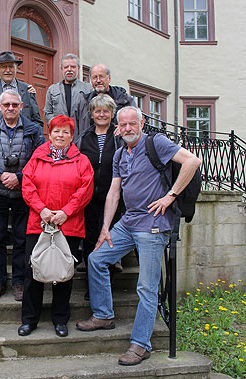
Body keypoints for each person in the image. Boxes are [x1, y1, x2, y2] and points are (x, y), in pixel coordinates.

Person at [76, 106, 201, 366]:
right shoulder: (120, 153)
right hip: (129, 221)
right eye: (123, 125)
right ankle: (103, 314)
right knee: (97, 259)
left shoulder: (156, 143)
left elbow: (192, 161)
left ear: (142, 123)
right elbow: (113, 193)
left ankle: (141, 344)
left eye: (132, 123)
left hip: (153, 226)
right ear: (117, 128)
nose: (127, 129)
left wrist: (171, 196)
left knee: (146, 287)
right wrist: (105, 228)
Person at [18, 115, 93, 338]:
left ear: (72, 136)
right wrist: (42, 209)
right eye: (56, 131)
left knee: (63, 274)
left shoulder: (82, 161)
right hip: (38, 223)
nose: (60, 135)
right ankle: (29, 320)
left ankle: (60, 320)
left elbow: (85, 189)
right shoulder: (37, 157)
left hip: (68, 225)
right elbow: (27, 185)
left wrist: (65, 212)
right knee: (33, 272)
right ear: (49, 134)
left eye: (65, 132)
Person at [0, 89, 45, 302]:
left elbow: (39, 159)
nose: (11, 108)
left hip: (25, 194)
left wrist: (20, 177)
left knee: (22, 240)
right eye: (7, 105)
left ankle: (19, 281)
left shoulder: (33, 130)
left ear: (22, 106)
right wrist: (0, 174)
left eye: (15, 104)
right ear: (0, 107)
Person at [79, 94, 125, 300]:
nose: (101, 114)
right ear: (91, 114)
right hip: (89, 199)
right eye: (97, 111)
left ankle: (107, 284)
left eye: (106, 111)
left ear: (112, 114)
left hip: (113, 198)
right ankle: (92, 285)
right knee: (89, 241)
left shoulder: (119, 136)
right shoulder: (84, 137)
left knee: (108, 241)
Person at [73, 64, 136, 146]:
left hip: (119, 148)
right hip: (88, 150)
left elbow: (136, 124)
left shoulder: (124, 100)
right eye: (95, 77)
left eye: (101, 76)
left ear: (109, 78)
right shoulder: (83, 102)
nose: (98, 80)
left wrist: (124, 127)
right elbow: (76, 131)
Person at [0, 51, 43, 128]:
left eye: (11, 66)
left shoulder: (27, 89)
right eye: (4, 67)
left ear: (16, 68)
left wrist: (31, 137)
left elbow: (36, 120)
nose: (8, 70)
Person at [43, 54, 92, 124]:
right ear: (61, 69)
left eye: (73, 67)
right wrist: (56, 124)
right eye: (66, 67)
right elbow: (47, 112)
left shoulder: (88, 89)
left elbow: (92, 111)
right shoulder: (52, 89)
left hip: (82, 132)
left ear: (78, 68)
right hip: (60, 131)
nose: (69, 70)